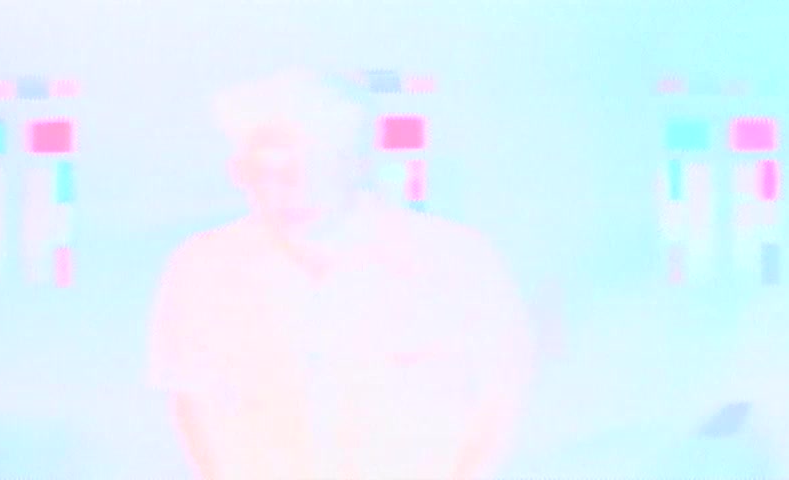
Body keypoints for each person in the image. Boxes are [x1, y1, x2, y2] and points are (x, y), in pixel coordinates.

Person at [146, 68, 536, 479]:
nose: (292, 188)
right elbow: (192, 404)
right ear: (238, 172)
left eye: (316, 165)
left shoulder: (455, 259)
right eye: (270, 170)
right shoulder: (200, 268)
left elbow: (502, 397)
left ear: (358, 166)